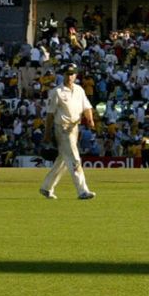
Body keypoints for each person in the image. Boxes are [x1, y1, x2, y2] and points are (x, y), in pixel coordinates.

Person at [39, 63, 96, 200]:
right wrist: (47, 134)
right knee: (74, 159)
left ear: (75, 75)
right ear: (63, 75)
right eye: (67, 74)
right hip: (62, 128)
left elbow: (86, 106)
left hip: (75, 128)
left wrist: (90, 120)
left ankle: (46, 187)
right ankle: (82, 190)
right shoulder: (57, 92)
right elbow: (50, 114)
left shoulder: (79, 90)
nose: (69, 76)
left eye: (72, 74)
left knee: (63, 160)